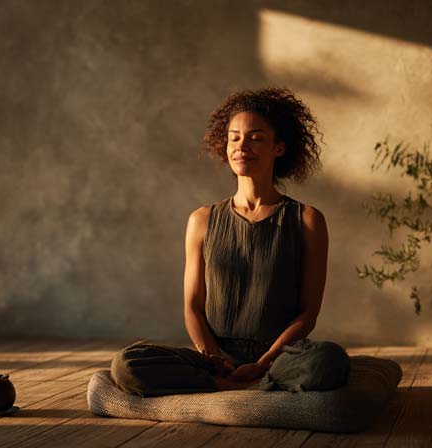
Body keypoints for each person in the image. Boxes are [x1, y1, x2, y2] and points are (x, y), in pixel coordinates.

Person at [110, 87, 350, 397]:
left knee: (330, 360)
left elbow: (308, 314)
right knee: (126, 364)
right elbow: (193, 307)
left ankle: (256, 380)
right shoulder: (201, 220)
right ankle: (230, 384)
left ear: (279, 148)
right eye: (234, 138)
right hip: (214, 358)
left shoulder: (307, 220)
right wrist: (214, 359)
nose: (242, 146)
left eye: (256, 138)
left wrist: (264, 362)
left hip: (280, 358)